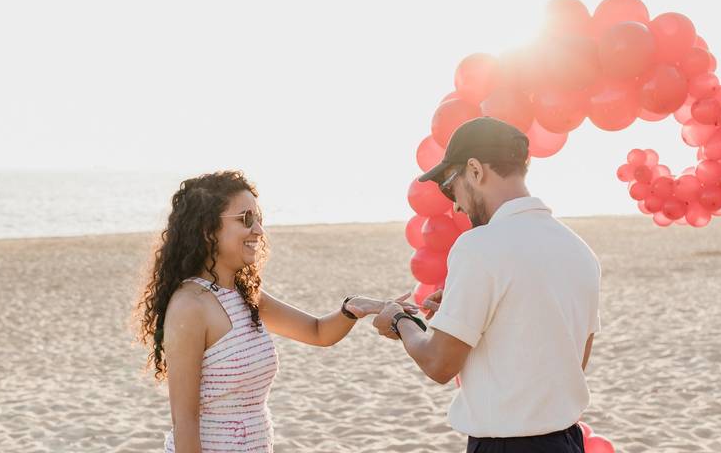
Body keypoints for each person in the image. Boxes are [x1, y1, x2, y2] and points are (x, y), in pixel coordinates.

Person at [373, 117, 601, 453]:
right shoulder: (579, 249)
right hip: (567, 442)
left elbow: (439, 364)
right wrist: (467, 315)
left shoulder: (479, 245)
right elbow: (567, 360)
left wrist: (399, 320)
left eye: (450, 186)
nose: (455, 204)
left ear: (476, 170)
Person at [136, 170, 404, 452]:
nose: (259, 230)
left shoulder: (245, 297)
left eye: (259, 219)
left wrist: (353, 308)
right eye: (246, 219)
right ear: (207, 230)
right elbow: (185, 422)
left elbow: (318, 332)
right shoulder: (190, 306)